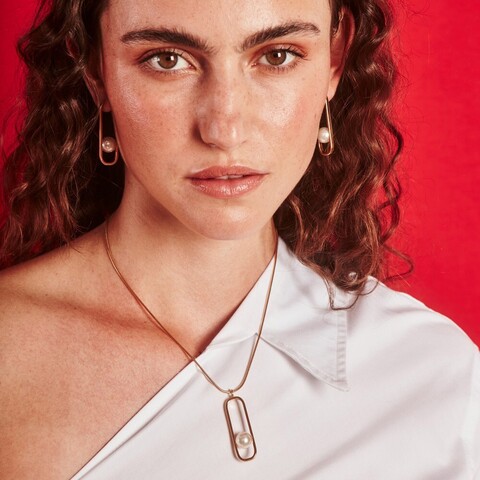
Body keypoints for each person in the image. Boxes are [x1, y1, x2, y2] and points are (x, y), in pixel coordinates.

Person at [0, 0, 478, 478]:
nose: (224, 130)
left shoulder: (434, 379)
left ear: (335, 58)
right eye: (167, 59)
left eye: (277, 56)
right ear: (95, 69)